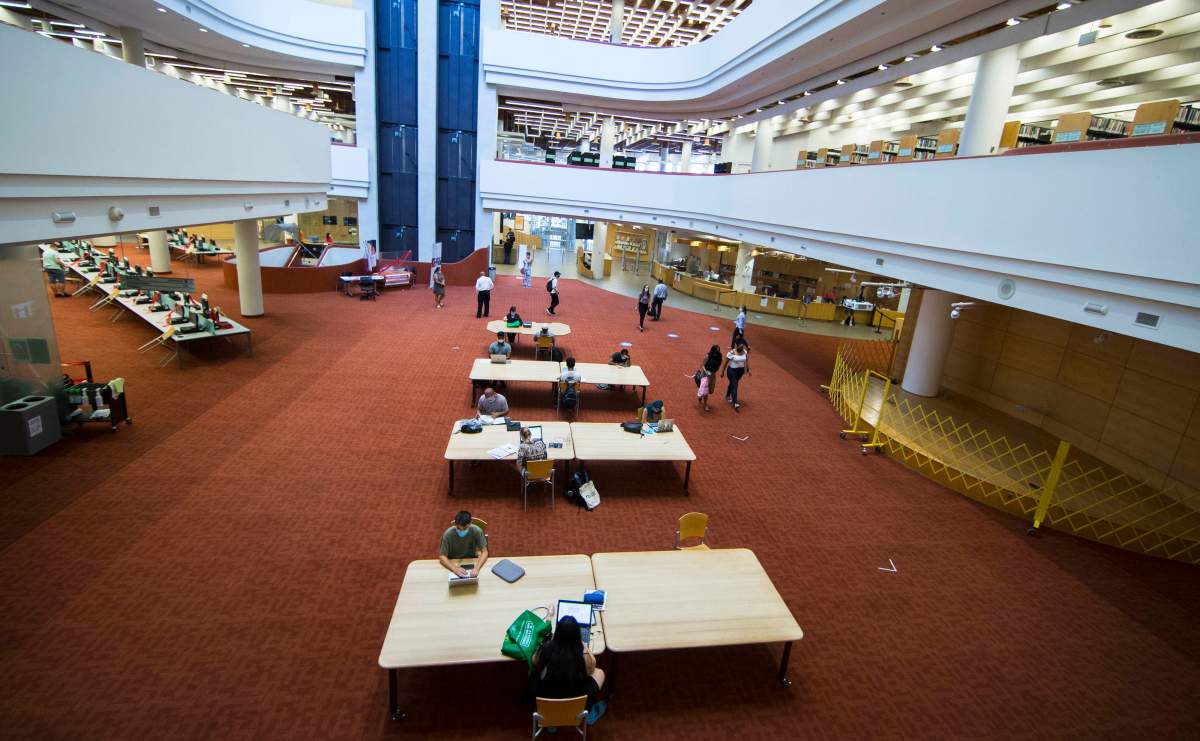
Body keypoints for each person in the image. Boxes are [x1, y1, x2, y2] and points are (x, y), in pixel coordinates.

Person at [530, 615, 606, 724]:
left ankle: (551, 721)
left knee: (532, 673)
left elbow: (534, 661)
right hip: (576, 698)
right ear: (577, 635)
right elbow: (592, 666)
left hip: (547, 700)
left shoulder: (546, 650)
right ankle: (588, 711)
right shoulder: (583, 656)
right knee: (600, 673)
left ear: (557, 633)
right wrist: (583, 645)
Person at [439, 511, 488, 577]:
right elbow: (442, 556)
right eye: (458, 528)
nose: (461, 530)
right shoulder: (448, 534)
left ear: (470, 523)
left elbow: (484, 552)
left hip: (470, 559)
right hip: (453, 561)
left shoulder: (477, 531)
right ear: (455, 524)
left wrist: (477, 568)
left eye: (465, 528)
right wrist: (454, 569)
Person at [720, 339, 751, 411]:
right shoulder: (731, 353)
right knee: (735, 385)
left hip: (740, 371)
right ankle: (735, 403)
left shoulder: (745, 352)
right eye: (741, 346)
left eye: (743, 346)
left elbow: (746, 361)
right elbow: (725, 363)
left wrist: (748, 370)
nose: (742, 347)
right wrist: (722, 372)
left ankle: (727, 395)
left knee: (733, 383)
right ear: (736, 345)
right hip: (732, 371)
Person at [697, 345, 722, 412]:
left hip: (713, 375)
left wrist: (713, 372)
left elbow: (719, 365)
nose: (717, 352)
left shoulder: (719, 357)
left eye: (718, 350)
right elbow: (702, 365)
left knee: (711, 390)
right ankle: (705, 405)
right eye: (716, 350)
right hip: (706, 374)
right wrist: (706, 372)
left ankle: (700, 394)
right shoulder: (708, 356)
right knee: (706, 390)